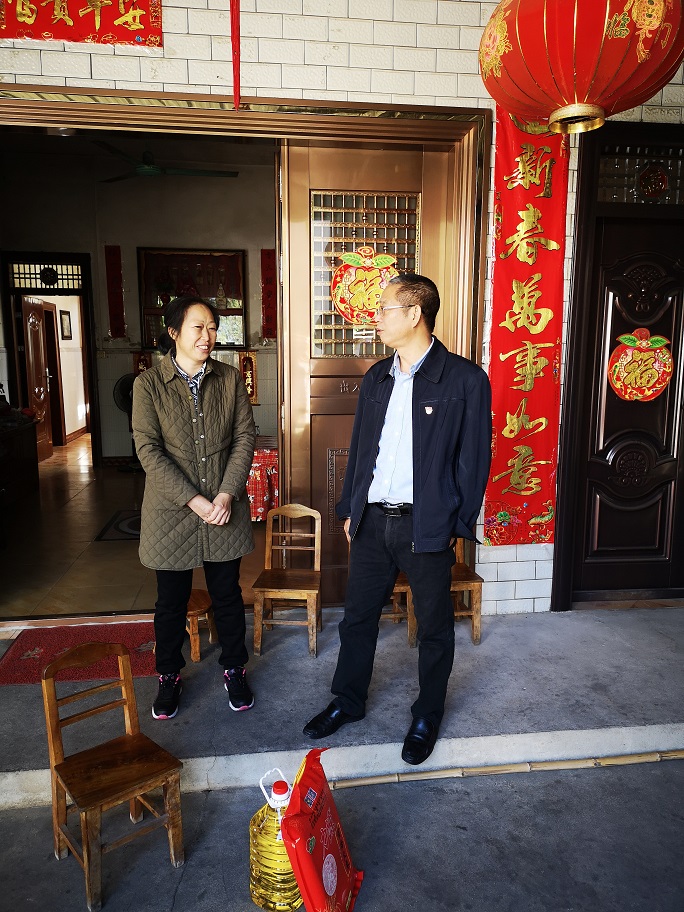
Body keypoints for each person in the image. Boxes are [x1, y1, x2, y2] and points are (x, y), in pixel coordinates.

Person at [303, 274, 492, 765]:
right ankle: (348, 701)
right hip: (372, 521)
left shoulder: (465, 380)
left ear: (414, 314)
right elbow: (362, 447)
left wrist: (454, 523)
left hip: (425, 525)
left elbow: (473, 462)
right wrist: (351, 509)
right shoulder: (377, 377)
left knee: (434, 628)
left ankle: (427, 714)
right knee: (357, 619)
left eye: (385, 308)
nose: (377, 317)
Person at [132, 295, 256, 720]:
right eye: (198, 327)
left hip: (223, 505)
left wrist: (225, 494)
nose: (208, 336)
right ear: (173, 332)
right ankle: (168, 675)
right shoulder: (148, 385)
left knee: (227, 594)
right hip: (171, 512)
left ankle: (235, 669)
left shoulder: (229, 378)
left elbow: (244, 437)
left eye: (213, 328)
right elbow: (148, 450)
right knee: (171, 601)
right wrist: (195, 500)